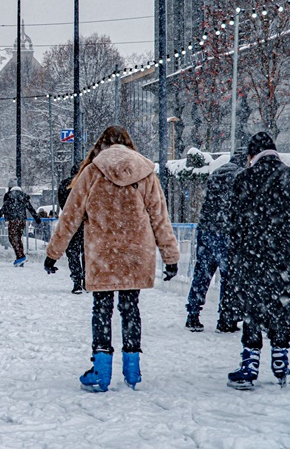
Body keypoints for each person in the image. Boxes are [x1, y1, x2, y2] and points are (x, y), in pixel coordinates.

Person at [44, 126, 179, 393]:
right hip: (135, 253)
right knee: (131, 309)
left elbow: (70, 216)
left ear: (102, 144)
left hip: (102, 253)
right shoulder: (145, 173)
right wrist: (170, 255)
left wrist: (53, 253)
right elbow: (159, 217)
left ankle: (101, 371)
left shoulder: (92, 172)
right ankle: (133, 368)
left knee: (102, 310)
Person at [226, 132, 290, 389]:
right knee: (282, 303)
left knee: (253, 307)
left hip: (254, 256)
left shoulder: (244, 178)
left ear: (252, 155)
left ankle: (250, 363)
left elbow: (234, 222)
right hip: (286, 256)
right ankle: (280, 358)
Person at [186, 149, 247, 332]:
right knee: (229, 276)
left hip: (206, 228)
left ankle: (193, 314)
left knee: (202, 273)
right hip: (226, 231)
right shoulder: (241, 174)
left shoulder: (217, 172)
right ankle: (226, 319)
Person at [0, 185, 41, 268]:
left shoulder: (10, 196)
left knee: (12, 238)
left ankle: (20, 257)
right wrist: (37, 218)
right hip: (22, 220)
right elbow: (30, 208)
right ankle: (20, 258)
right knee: (18, 239)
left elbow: (4, 208)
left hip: (13, 220)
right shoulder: (23, 197)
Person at [58, 164, 84, 294]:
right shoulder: (89, 184)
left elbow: (61, 202)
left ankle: (76, 281)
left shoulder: (65, 184)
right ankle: (87, 279)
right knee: (88, 253)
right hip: (87, 223)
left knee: (73, 252)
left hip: (71, 222)